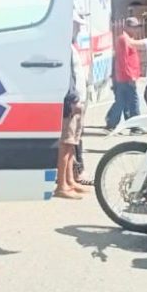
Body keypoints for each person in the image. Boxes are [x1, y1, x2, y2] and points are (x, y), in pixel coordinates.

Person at [55, 11, 90, 199]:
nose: (78, 29)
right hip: (71, 103)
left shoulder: (70, 46)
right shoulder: (63, 47)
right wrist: (72, 100)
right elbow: (67, 77)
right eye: (76, 26)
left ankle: (70, 181)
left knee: (71, 145)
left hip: (78, 103)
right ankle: (62, 184)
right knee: (66, 144)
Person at [105, 17, 143, 130]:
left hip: (124, 76)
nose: (136, 29)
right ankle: (135, 126)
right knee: (133, 101)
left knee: (122, 101)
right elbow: (124, 60)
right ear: (126, 27)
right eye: (134, 27)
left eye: (137, 27)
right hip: (126, 77)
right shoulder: (124, 39)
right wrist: (131, 76)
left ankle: (111, 122)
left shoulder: (128, 39)